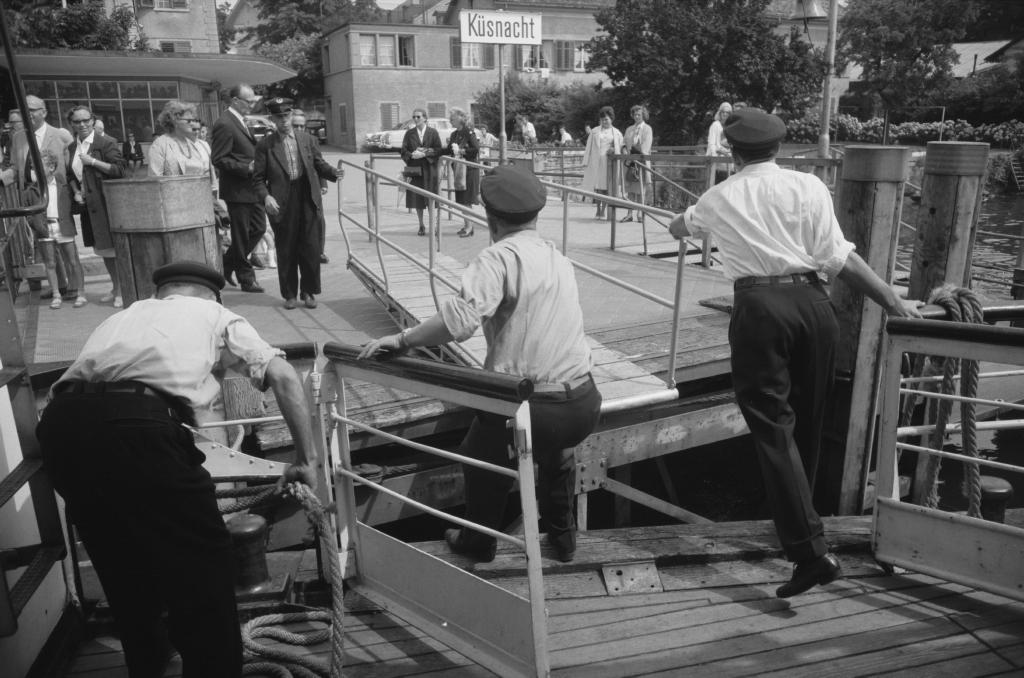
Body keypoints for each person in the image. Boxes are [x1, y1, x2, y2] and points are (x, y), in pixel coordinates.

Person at [667, 108, 923, 598]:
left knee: (772, 430)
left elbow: (683, 227)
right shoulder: (809, 186)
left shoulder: (718, 197)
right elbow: (838, 256)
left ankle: (809, 552)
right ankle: (809, 524)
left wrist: (681, 223)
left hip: (760, 308)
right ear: (778, 148)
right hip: (814, 304)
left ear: (733, 151)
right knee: (809, 420)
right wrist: (893, 301)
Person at [37, 260, 318, 678]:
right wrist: (305, 460)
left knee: (119, 558)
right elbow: (284, 377)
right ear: (211, 294)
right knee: (204, 566)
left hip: (63, 427)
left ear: (163, 291)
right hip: (141, 427)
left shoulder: (124, 317)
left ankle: (148, 664)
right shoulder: (216, 315)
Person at [358, 165, 601, 563]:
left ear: (489, 217)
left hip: (535, 409)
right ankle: (564, 537)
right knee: (556, 453)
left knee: (479, 450)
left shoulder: (498, 258)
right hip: (585, 402)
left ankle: (480, 540)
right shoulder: (558, 257)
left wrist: (401, 339)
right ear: (536, 215)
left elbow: (458, 324)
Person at [253, 98, 340, 310]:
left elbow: (318, 164)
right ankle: (290, 294)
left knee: (311, 248)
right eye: (278, 117)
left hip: (307, 197)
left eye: (286, 116)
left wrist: (333, 173)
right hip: (282, 201)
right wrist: (267, 197)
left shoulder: (307, 139)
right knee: (286, 249)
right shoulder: (266, 145)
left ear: (292, 115)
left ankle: (308, 292)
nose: (283, 121)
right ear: (272, 119)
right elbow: (257, 179)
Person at [2, 95, 74, 299]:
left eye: (33, 109)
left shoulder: (61, 135)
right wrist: (1, 180)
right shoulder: (18, 138)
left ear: (44, 111)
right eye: (25, 110)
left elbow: (69, 169)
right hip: (32, 200)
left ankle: (75, 288)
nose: (29, 113)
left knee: (65, 245)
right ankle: (58, 286)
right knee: (45, 245)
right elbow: (16, 169)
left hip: (55, 197)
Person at [66, 104, 127, 308]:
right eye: (77, 121)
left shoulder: (105, 142)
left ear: (92, 120)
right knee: (102, 249)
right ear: (71, 124)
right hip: (88, 207)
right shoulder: (72, 147)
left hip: (105, 205)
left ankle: (122, 289)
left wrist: (93, 161)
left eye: (86, 120)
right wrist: (75, 191)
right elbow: (70, 175)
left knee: (113, 249)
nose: (82, 124)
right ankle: (115, 287)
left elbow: (119, 170)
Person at [212, 83, 266, 294]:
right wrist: (245, 167)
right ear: (235, 101)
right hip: (238, 190)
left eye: (254, 100)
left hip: (252, 189)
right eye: (249, 101)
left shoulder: (241, 121)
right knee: (242, 235)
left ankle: (227, 263)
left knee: (259, 228)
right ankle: (246, 278)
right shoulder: (224, 123)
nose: (253, 105)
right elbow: (218, 158)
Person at [25, 149, 87, 309]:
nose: (35, 170)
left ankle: (81, 292)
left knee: (73, 261)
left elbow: (74, 206)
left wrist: (78, 197)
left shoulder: (63, 186)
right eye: (33, 167)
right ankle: (56, 294)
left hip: (63, 226)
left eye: (39, 166)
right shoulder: (32, 190)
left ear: (51, 167)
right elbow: (29, 212)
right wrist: (36, 224)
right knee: (50, 263)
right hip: (45, 229)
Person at [290, 107, 329, 264]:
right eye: (296, 125)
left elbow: (319, 162)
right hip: (292, 189)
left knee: (318, 219)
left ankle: (319, 251)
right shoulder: (283, 142)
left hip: (312, 187)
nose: (299, 129)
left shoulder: (311, 140)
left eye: (302, 126)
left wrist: (323, 182)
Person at [148, 101, 214, 192]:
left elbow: (206, 175)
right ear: (175, 121)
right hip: (173, 200)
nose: (192, 123)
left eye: (194, 120)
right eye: (188, 120)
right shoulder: (160, 145)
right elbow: (154, 182)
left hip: (200, 198)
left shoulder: (195, 143)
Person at [400, 107, 442, 236]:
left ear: (425, 118)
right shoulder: (409, 133)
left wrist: (425, 154)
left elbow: (438, 149)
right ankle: (421, 225)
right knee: (417, 198)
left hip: (429, 170)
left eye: (418, 117)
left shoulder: (433, 132)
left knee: (430, 198)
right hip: (415, 169)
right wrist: (411, 156)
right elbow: (403, 151)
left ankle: (433, 225)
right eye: (414, 117)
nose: (416, 119)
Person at [440, 106, 480, 238]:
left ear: (461, 118)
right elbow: (448, 151)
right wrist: (431, 151)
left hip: (469, 171)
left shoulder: (469, 132)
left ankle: (469, 227)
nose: (450, 119)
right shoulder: (454, 134)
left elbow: (475, 149)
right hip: (458, 170)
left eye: (453, 116)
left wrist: (461, 151)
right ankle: (468, 225)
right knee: (462, 200)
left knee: (467, 200)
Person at [581, 106, 623, 219]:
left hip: (608, 163)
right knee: (598, 187)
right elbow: (588, 147)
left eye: (607, 119)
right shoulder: (594, 131)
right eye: (603, 119)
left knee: (606, 187)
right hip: (596, 162)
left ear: (611, 119)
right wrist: (585, 161)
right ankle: (598, 209)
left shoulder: (617, 133)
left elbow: (621, 147)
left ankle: (603, 210)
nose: (605, 121)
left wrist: (614, 150)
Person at [621, 104, 653, 223]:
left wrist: (637, 152)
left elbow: (646, 145)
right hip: (630, 162)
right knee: (630, 188)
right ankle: (629, 213)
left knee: (641, 188)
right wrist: (624, 150)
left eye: (639, 114)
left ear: (643, 115)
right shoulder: (629, 129)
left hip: (641, 161)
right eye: (635, 114)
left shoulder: (647, 129)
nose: (637, 116)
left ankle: (640, 213)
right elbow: (623, 143)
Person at [707, 101, 733, 184]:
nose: (725, 114)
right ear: (720, 113)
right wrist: (716, 157)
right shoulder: (715, 125)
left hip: (728, 162)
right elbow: (712, 144)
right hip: (717, 163)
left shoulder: (731, 126)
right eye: (723, 112)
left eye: (727, 112)